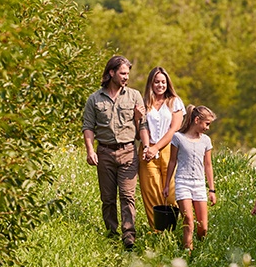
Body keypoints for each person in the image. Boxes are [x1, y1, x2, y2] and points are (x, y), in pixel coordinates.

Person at [82, 55, 147, 250]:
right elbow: (88, 126)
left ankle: (129, 236)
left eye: (128, 73)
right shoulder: (94, 99)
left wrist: (145, 143)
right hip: (105, 152)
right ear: (112, 73)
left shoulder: (134, 96)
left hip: (128, 150)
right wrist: (90, 150)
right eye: (123, 73)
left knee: (128, 196)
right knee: (108, 198)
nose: (126, 77)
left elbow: (141, 126)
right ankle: (111, 233)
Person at [163, 105, 217, 251]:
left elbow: (208, 165)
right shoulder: (178, 138)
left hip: (199, 185)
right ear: (197, 120)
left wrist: (212, 190)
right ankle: (187, 254)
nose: (208, 128)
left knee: (203, 227)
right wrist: (167, 184)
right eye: (207, 124)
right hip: (182, 183)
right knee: (188, 221)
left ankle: (199, 248)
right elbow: (172, 161)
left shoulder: (206, 140)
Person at [139, 66, 186, 229]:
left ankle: (174, 229)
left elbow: (174, 129)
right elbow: (142, 126)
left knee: (171, 192)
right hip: (147, 150)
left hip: (168, 149)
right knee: (151, 192)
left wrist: (156, 148)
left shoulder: (175, 102)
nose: (160, 85)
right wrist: (147, 148)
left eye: (163, 82)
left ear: (168, 83)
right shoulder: (144, 102)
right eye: (156, 82)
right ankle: (156, 232)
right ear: (151, 84)